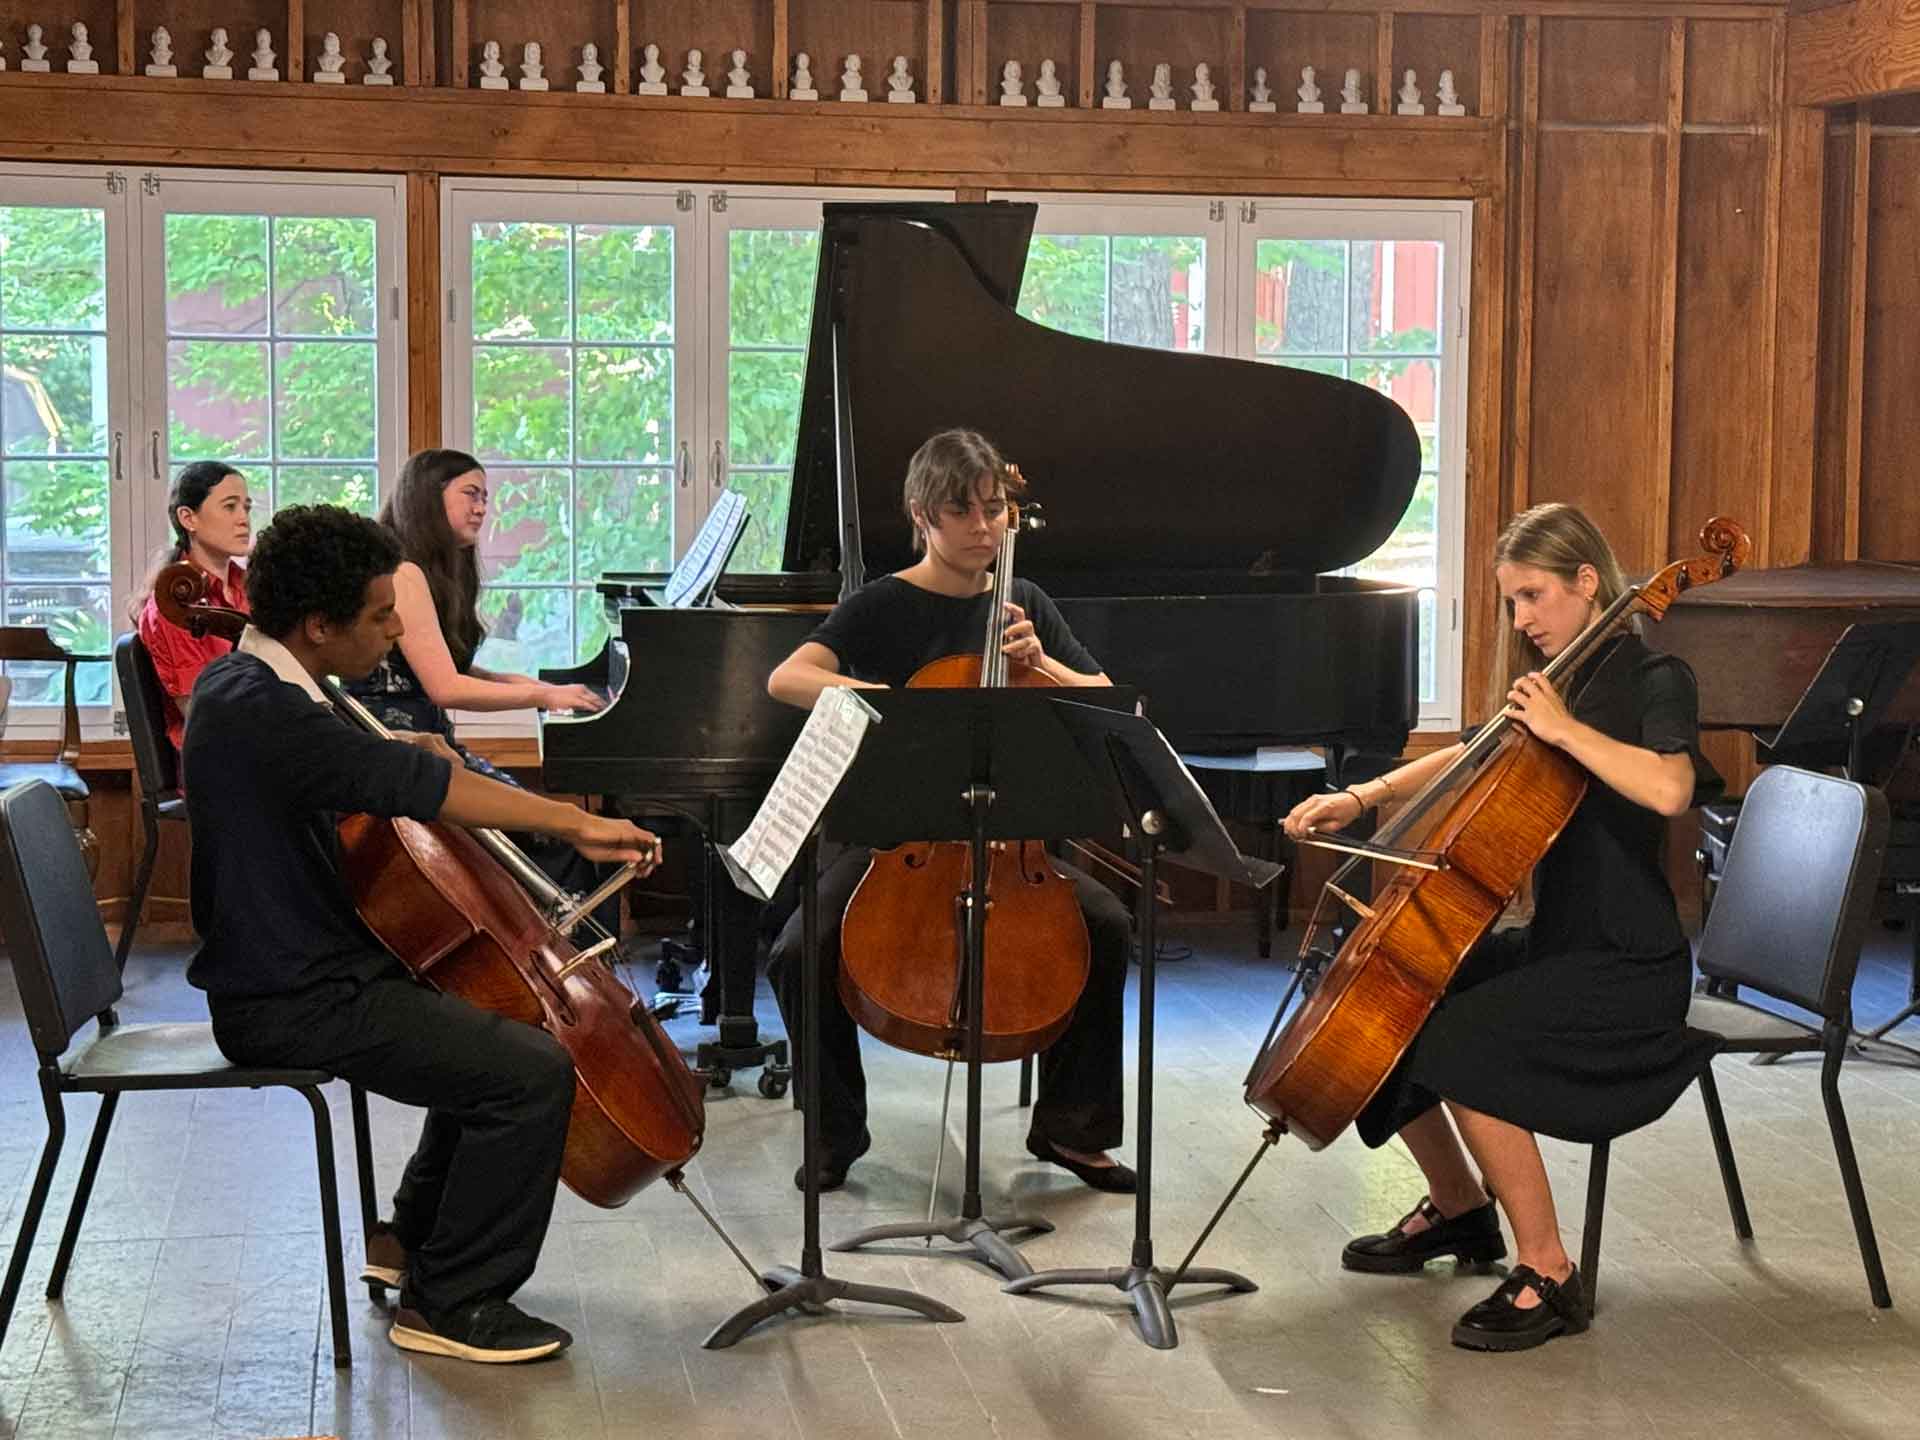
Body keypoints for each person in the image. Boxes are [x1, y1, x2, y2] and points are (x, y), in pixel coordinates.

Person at [186, 504, 661, 1363]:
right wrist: (573, 823)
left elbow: (353, 760)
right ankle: (453, 1302)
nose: (397, 629)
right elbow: (417, 789)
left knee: (490, 1038)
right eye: (378, 616)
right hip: (292, 997)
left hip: (308, 969)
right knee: (530, 1073)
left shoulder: (258, 684)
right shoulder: (272, 712)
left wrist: (403, 738)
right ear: (319, 625)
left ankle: (409, 1243)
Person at [1283, 501, 1722, 1353]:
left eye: (1532, 597)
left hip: (1628, 966)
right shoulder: (1562, 681)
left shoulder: (1655, 679)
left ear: (1587, 582)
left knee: (1463, 1043)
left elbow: (1671, 789)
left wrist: (1564, 730)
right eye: (1511, 603)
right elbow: (1479, 748)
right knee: (1393, 1002)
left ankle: (1550, 1271)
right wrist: (1362, 797)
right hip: (1559, 941)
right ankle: (1460, 1212)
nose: (1521, 621)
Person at [764, 428, 1134, 1194]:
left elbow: (1107, 704)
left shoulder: (1024, 602)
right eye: (960, 512)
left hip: (1008, 843)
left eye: (993, 510)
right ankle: (834, 1132)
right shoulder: (882, 605)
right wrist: (898, 709)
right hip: (895, 839)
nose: (982, 527)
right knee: (800, 953)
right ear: (921, 516)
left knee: (1107, 925)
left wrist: (1044, 665)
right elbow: (787, 679)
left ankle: (1072, 1131)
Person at [343, 449, 610, 912]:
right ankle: (563, 965)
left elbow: (452, 667)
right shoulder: (403, 571)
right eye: (471, 494)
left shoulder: (428, 568)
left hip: (426, 741)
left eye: (485, 497)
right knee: (557, 838)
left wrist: (526, 684)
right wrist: (540, 694)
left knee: (551, 829)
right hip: (399, 747)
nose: (482, 508)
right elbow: (446, 688)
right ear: (429, 496)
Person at [133, 461, 254, 754]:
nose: (244, 519)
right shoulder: (172, 605)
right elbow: (202, 714)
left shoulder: (250, 590)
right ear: (188, 518)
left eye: (246, 507)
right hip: (218, 764)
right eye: (229, 507)